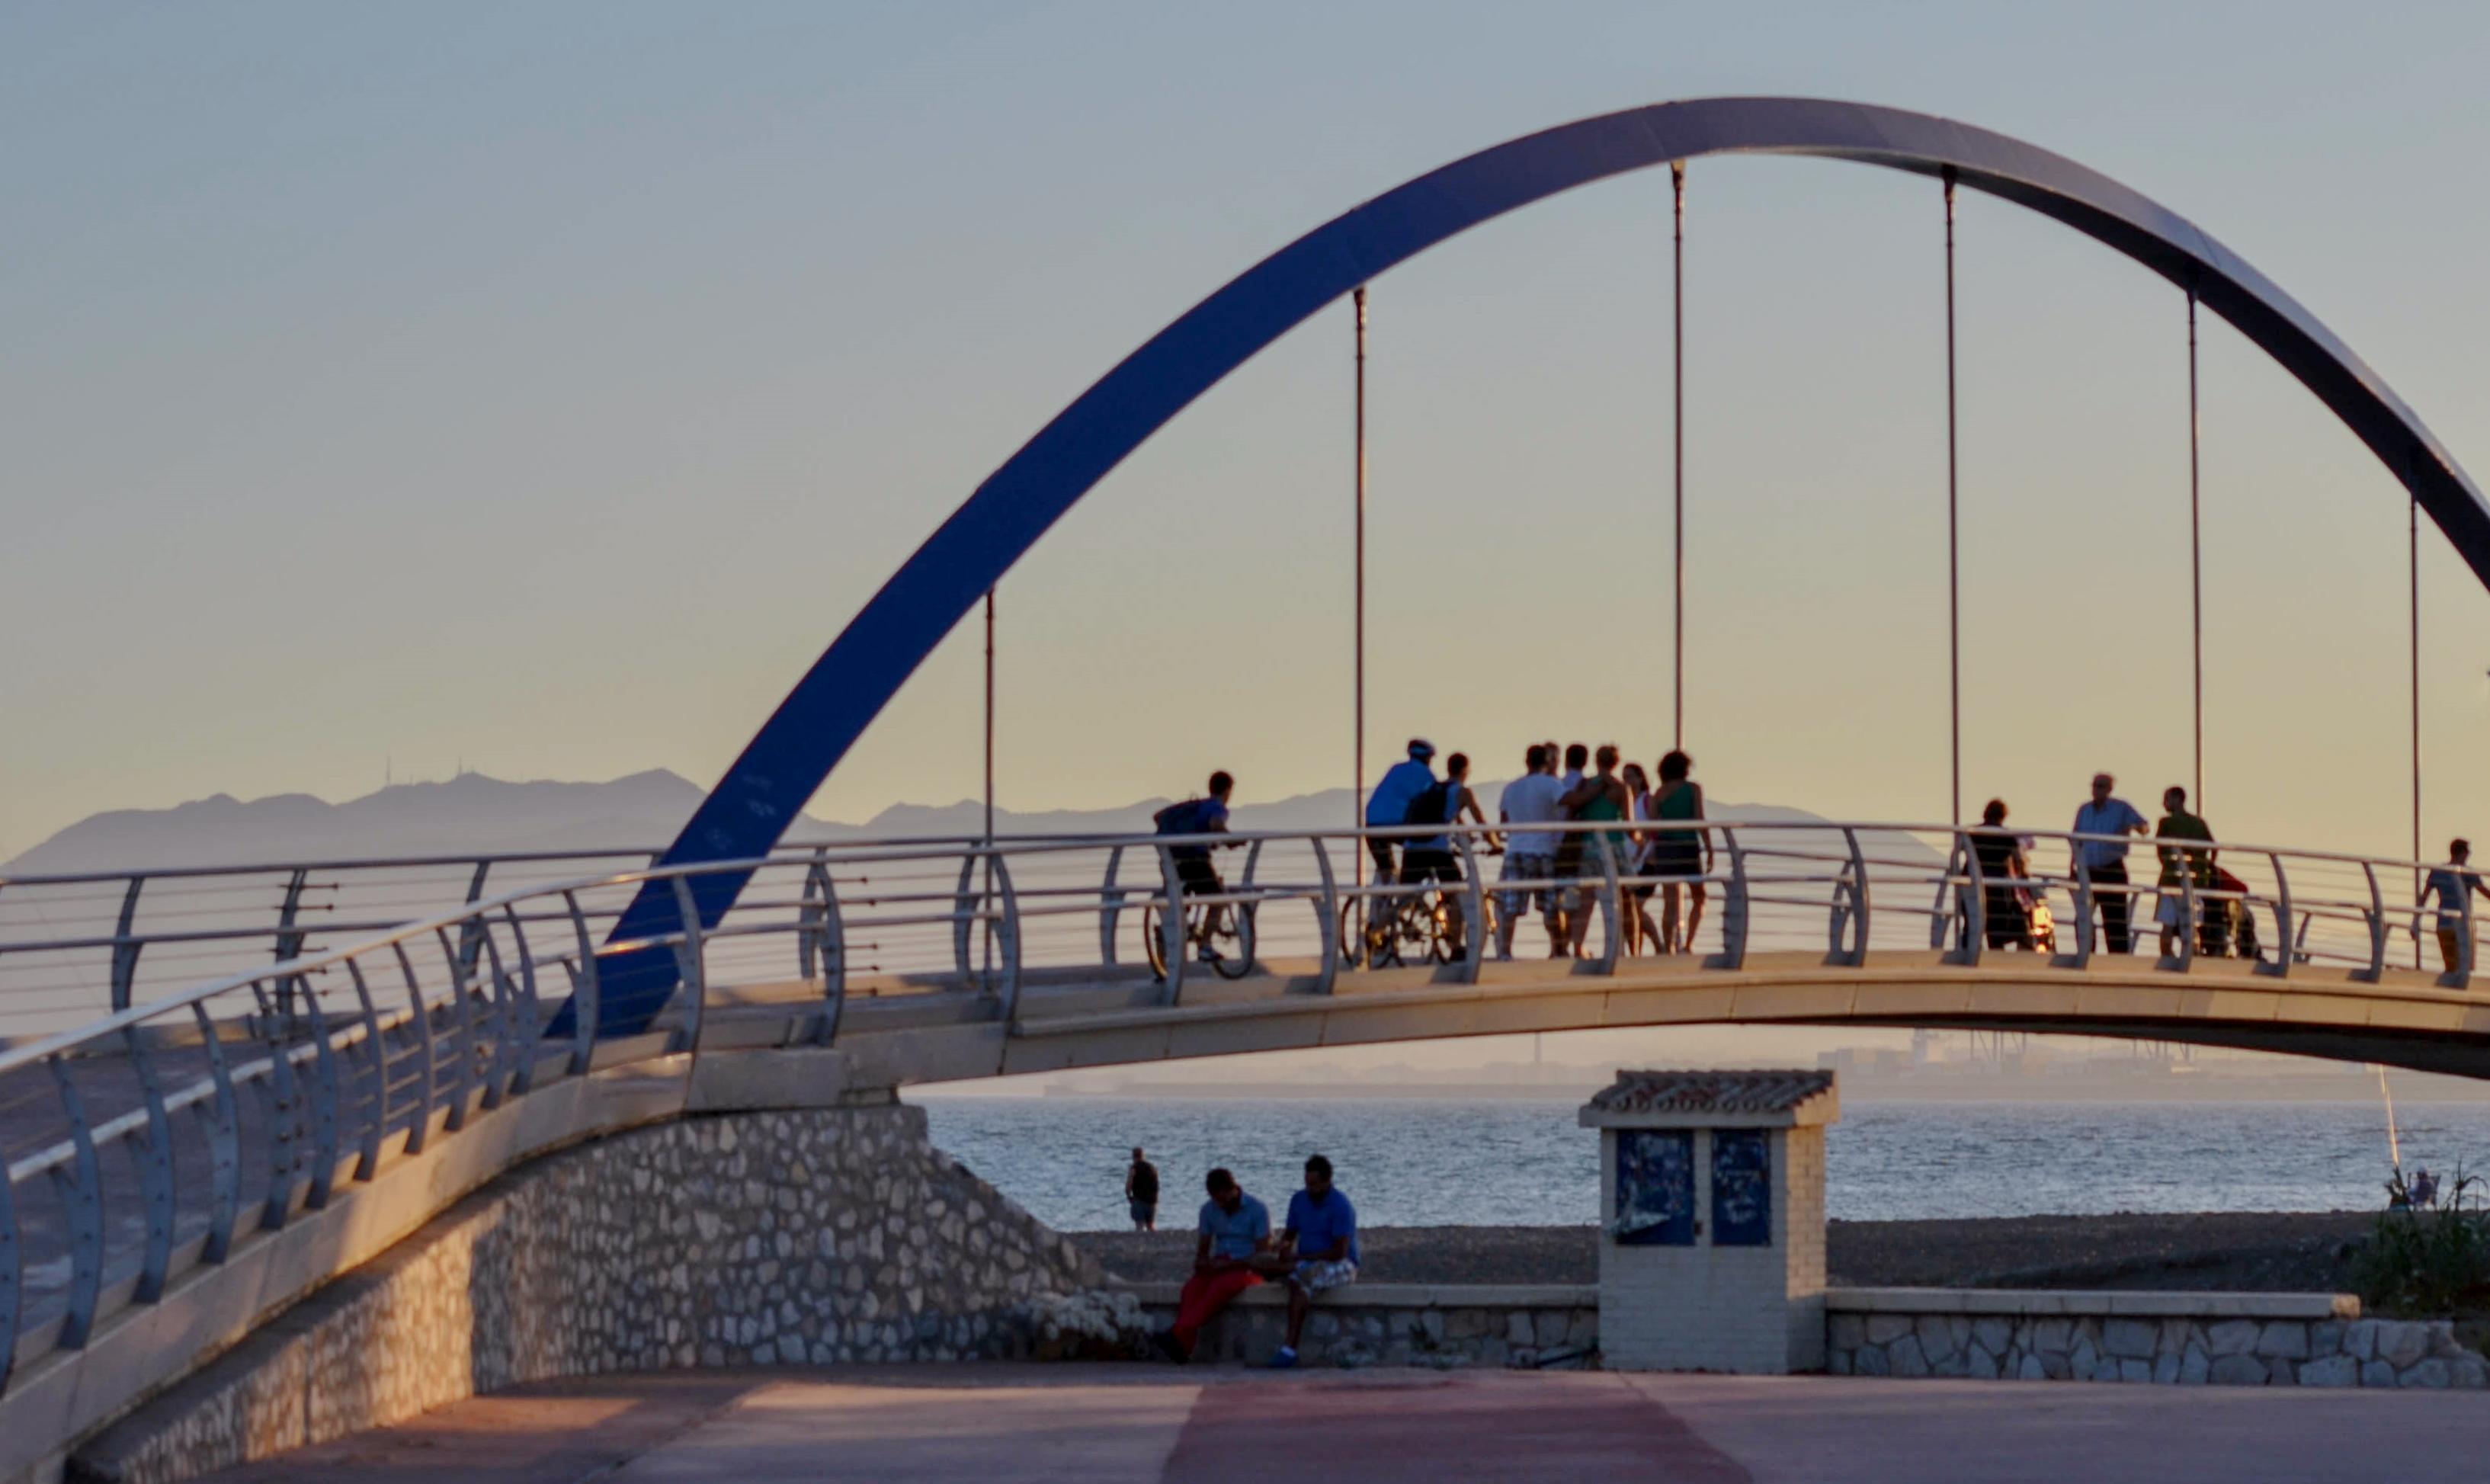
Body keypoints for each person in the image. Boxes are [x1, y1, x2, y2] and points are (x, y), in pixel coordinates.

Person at [1158, 1167, 1271, 1362]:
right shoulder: (1208, 1210)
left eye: (1223, 1199)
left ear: (1233, 1190)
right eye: (1215, 1199)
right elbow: (1203, 1248)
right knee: (1191, 1289)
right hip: (1220, 1262)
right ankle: (1183, 1346)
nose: (1220, 1204)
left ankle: (1177, 1332)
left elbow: (1263, 1255)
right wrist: (1202, 1263)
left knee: (1221, 1287)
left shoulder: (1257, 1210)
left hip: (1248, 1267)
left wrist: (1228, 1266)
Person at [1255, 1154, 1359, 1367]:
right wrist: (1282, 1248)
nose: (1310, 1189)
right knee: (1284, 1274)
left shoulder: (1341, 1206)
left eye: (1315, 1184)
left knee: (1301, 1275)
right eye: (1307, 1184)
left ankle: (1289, 1348)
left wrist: (1299, 1259)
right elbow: (1290, 1235)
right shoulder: (1299, 1200)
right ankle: (1289, 1350)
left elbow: (1339, 1252)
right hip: (1304, 1262)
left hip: (1340, 1264)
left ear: (1327, 1181)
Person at [1399, 752, 1489, 959]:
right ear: (1466, 771)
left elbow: (1455, 819)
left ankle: (1379, 931)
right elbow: (1480, 820)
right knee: (1454, 895)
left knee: (1402, 896)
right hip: (1437, 849)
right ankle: (1456, 947)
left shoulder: (1432, 788)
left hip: (1412, 846)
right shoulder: (1462, 792)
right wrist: (1494, 843)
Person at [1558, 745, 1633, 958]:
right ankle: (1622, 948)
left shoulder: (1585, 785)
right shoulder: (1621, 788)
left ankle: (1577, 947)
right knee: (1621, 900)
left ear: (1596, 761)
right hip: (1614, 846)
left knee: (1586, 901)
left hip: (1589, 847)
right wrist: (1641, 840)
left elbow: (1571, 816)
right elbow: (1629, 825)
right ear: (1616, 763)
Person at [1152, 771, 1239, 954]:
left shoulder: (1193, 806)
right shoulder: (1217, 807)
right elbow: (1216, 824)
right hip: (1195, 860)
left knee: (1181, 902)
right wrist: (1231, 840)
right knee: (1218, 900)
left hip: (1172, 859)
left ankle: (1166, 936)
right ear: (1228, 790)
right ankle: (1205, 946)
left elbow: (1158, 817)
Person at [1496, 745, 1566, 961]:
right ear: (1547, 763)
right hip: (1545, 849)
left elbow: (1504, 821)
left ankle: (1505, 952)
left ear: (1526, 761)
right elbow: (1569, 803)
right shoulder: (1553, 785)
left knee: (1510, 906)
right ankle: (1559, 950)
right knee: (1551, 906)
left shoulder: (1512, 788)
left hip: (1516, 849)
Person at [2071, 774, 2149, 954]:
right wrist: (2073, 867)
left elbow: (2144, 826)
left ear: (2109, 789)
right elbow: (2076, 840)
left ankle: (2118, 958)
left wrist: (2132, 828)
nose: (2096, 790)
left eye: (2100, 786)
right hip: (2089, 871)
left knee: (2114, 920)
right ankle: (2085, 954)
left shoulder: (2121, 808)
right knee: (2083, 917)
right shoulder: (2084, 810)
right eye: (2094, 786)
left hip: (2112, 868)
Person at [1649, 750, 1710, 955]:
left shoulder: (1660, 793)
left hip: (1666, 848)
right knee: (1699, 897)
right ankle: (1689, 943)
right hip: (1688, 846)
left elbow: (1651, 826)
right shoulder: (1693, 789)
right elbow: (1699, 819)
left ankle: (1668, 947)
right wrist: (1709, 847)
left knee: (1670, 902)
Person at [1363, 739, 1437, 886]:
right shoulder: (1426, 775)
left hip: (1372, 825)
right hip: (1396, 825)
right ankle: (1409, 889)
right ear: (1427, 758)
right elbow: (1437, 804)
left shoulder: (1396, 769)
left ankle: (1386, 902)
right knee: (1422, 851)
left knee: (1387, 869)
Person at [2154, 786, 2216, 959]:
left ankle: (2168, 958)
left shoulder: (2165, 823)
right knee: (2192, 925)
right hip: (2195, 882)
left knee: (2167, 924)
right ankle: (2192, 957)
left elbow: (2160, 849)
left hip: (2170, 881)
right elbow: (2213, 847)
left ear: (2177, 799)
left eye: (2167, 799)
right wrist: (2205, 866)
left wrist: (2169, 864)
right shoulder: (2199, 823)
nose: (2164, 803)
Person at [1969, 800, 2034, 950]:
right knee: (2017, 919)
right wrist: (2024, 872)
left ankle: (1981, 948)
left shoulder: (1973, 833)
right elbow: (2019, 859)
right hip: (2000, 887)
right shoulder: (2005, 835)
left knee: (1986, 922)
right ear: (2003, 816)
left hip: (1976, 886)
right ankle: (2023, 950)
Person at [1546, 744, 1591, 954]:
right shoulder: (1587, 786)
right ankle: (1573, 946)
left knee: (1555, 901)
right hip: (1575, 849)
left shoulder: (1559, 784)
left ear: (1565, 760)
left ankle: (1558, 946)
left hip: (1554, 847)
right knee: (1574, 900)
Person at [2421, 839, 2490, 975]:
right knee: (2465, 967)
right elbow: (2485, 892)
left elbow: (2424, 896)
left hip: (2443, 924)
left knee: (2451, 967)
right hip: (2463, 926)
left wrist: (2416, 919)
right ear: (2463, 853)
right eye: (2468, 852)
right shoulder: (2467, 872)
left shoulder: (2438, 871)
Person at [1620, 761, 1657, 954]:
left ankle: (1658, 944)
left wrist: (1643, 853)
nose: (1627, 781)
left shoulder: (1646, 800)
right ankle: (1635, 950)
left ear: (1640, 778)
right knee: (1628, 909)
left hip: (1643, 861)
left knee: (1637, 907)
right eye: (1624, 777)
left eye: (1630, 776)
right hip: (1627, 861)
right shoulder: (1624, 801)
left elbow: (1652, 830)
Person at [1124, 1147, 1160, 1232]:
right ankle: (1155, 1241)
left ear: (1133, 1157)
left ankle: (1140, 1242)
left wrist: (1128, 1196)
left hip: (1139, 1201)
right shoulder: (1152, 1167)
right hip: (1152, 1201)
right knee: (1150, 1225)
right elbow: (1157, 1184)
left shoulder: (1134, 1168)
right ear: (1143, 1156)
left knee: (1139, 1226)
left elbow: (1129, 1184)